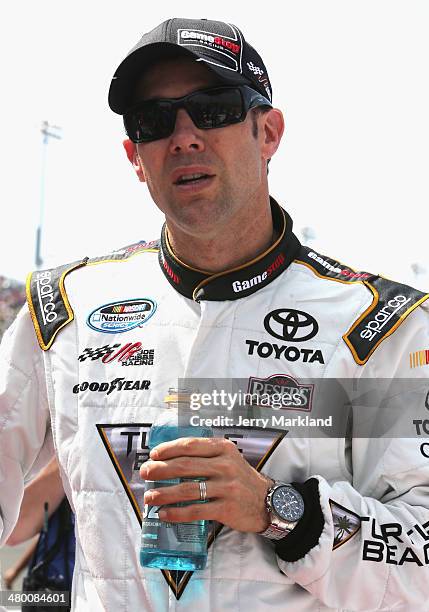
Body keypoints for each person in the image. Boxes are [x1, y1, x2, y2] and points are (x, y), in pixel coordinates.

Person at [0, 16, 429, 611]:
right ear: (135, 155)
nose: (184, 137)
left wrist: (285, 512)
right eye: (154, 122)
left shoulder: (378, 326)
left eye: (216, 108)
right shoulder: (64, 309)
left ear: (269, 132)